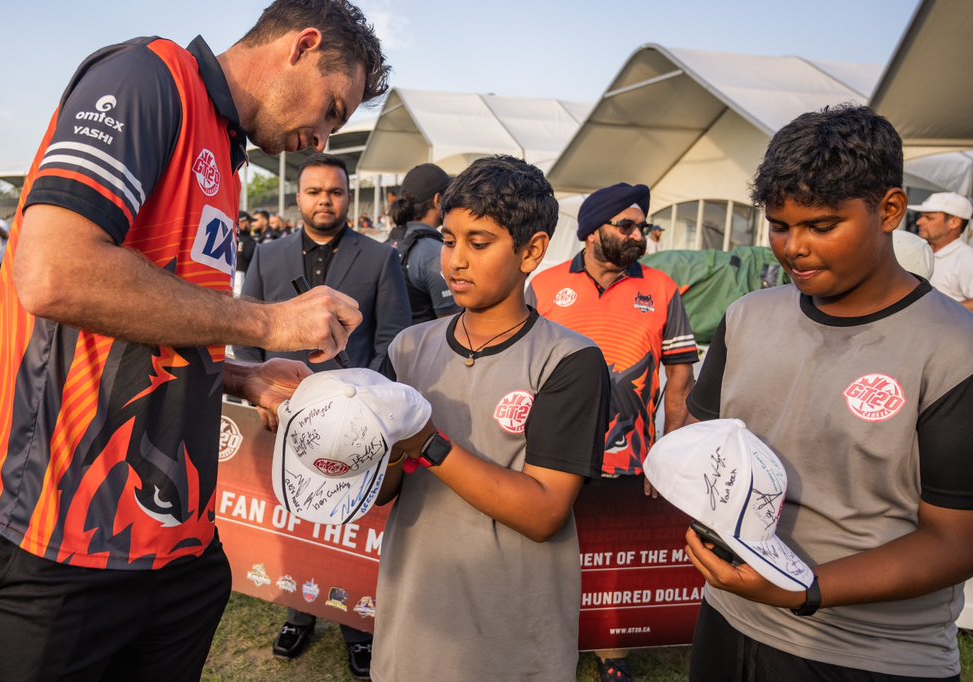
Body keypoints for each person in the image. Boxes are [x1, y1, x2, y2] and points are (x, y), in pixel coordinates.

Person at [0, 1, 389, 679]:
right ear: (301, 46)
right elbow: (53, 272)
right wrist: (268, 321)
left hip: (174, 545)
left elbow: (152, 315)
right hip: (53, 533)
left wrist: (242, 375)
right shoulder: (150, 77)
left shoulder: (227, 153)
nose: (325, 137)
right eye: (332, 107)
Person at [684, 105, 973, 681]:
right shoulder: (745, 318)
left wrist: (804, 589)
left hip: (868, 654)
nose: (794, 248)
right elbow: (709, 448)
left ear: (889, 210)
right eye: (779, 225)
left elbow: (956, 541)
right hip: (728, 621)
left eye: (821, 226)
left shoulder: (953, 350)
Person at [370, 155, 610, 681]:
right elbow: (383, 490)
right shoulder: (410, 348)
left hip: (512, 635)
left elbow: (545, 511)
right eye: (449, 240)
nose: (454, 261)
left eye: (479, 244)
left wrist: (429, 444)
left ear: (533, 251)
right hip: (415, 622)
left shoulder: (569, 360)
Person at [235, 153, 408, 679]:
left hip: (357, 417)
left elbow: (393, 341)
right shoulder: (268, 256)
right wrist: (259, 392)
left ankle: (357, 624)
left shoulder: (381, 259)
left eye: (334, 192)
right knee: (297, 512)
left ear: (347, 198)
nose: (324, 200)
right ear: (299, 198)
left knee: (351, 517)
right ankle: (299, 612)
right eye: (314, 192)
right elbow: (247, 336)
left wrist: (366, 403)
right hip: (283, 415)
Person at [527, 182, 697, 681]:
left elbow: (681, 377)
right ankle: (545, 640)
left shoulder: (662, 290)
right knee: (546, 547)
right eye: (625, 226)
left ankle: (612, 655)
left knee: (613, 560)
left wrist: (666, 454)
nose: (637, 235)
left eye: (642, 227)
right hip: (552, 455)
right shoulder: (543, 285)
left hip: (630, 458)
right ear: (591, 231)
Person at [387, 163, 461, 323]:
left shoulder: (389, 241)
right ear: (438, 200)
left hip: (392, 345)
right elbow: (452, 323)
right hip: (425, 345)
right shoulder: (434, 252)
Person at [912, 191, 973, 310]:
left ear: (954, 222)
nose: (919, 222)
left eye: (929, 218)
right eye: (922, 216)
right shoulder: (921, 251)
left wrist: (940, 312)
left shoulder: (966, 258)